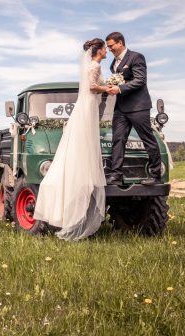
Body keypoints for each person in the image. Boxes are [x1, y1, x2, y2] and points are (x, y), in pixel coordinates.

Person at [33, 38, 109, 240]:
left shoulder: (93, 65)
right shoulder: (94, 66)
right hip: (87, 107)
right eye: (105, 48)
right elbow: (93, 87)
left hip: (88, 107)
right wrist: (108, 88)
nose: (107, 51)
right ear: (98, 50)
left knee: (82, 143)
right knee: (84, 142)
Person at [104, 32, 162, 186]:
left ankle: (155, 175)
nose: (109, 49)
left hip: (138, 107)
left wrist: (119, 88)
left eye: (111, 46)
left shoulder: (136, 57)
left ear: (120, 43)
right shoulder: (113, 64)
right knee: (118, 140)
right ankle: (116, 176)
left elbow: (140, 81)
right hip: (121, 109)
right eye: (108, 47)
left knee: (147, 140)